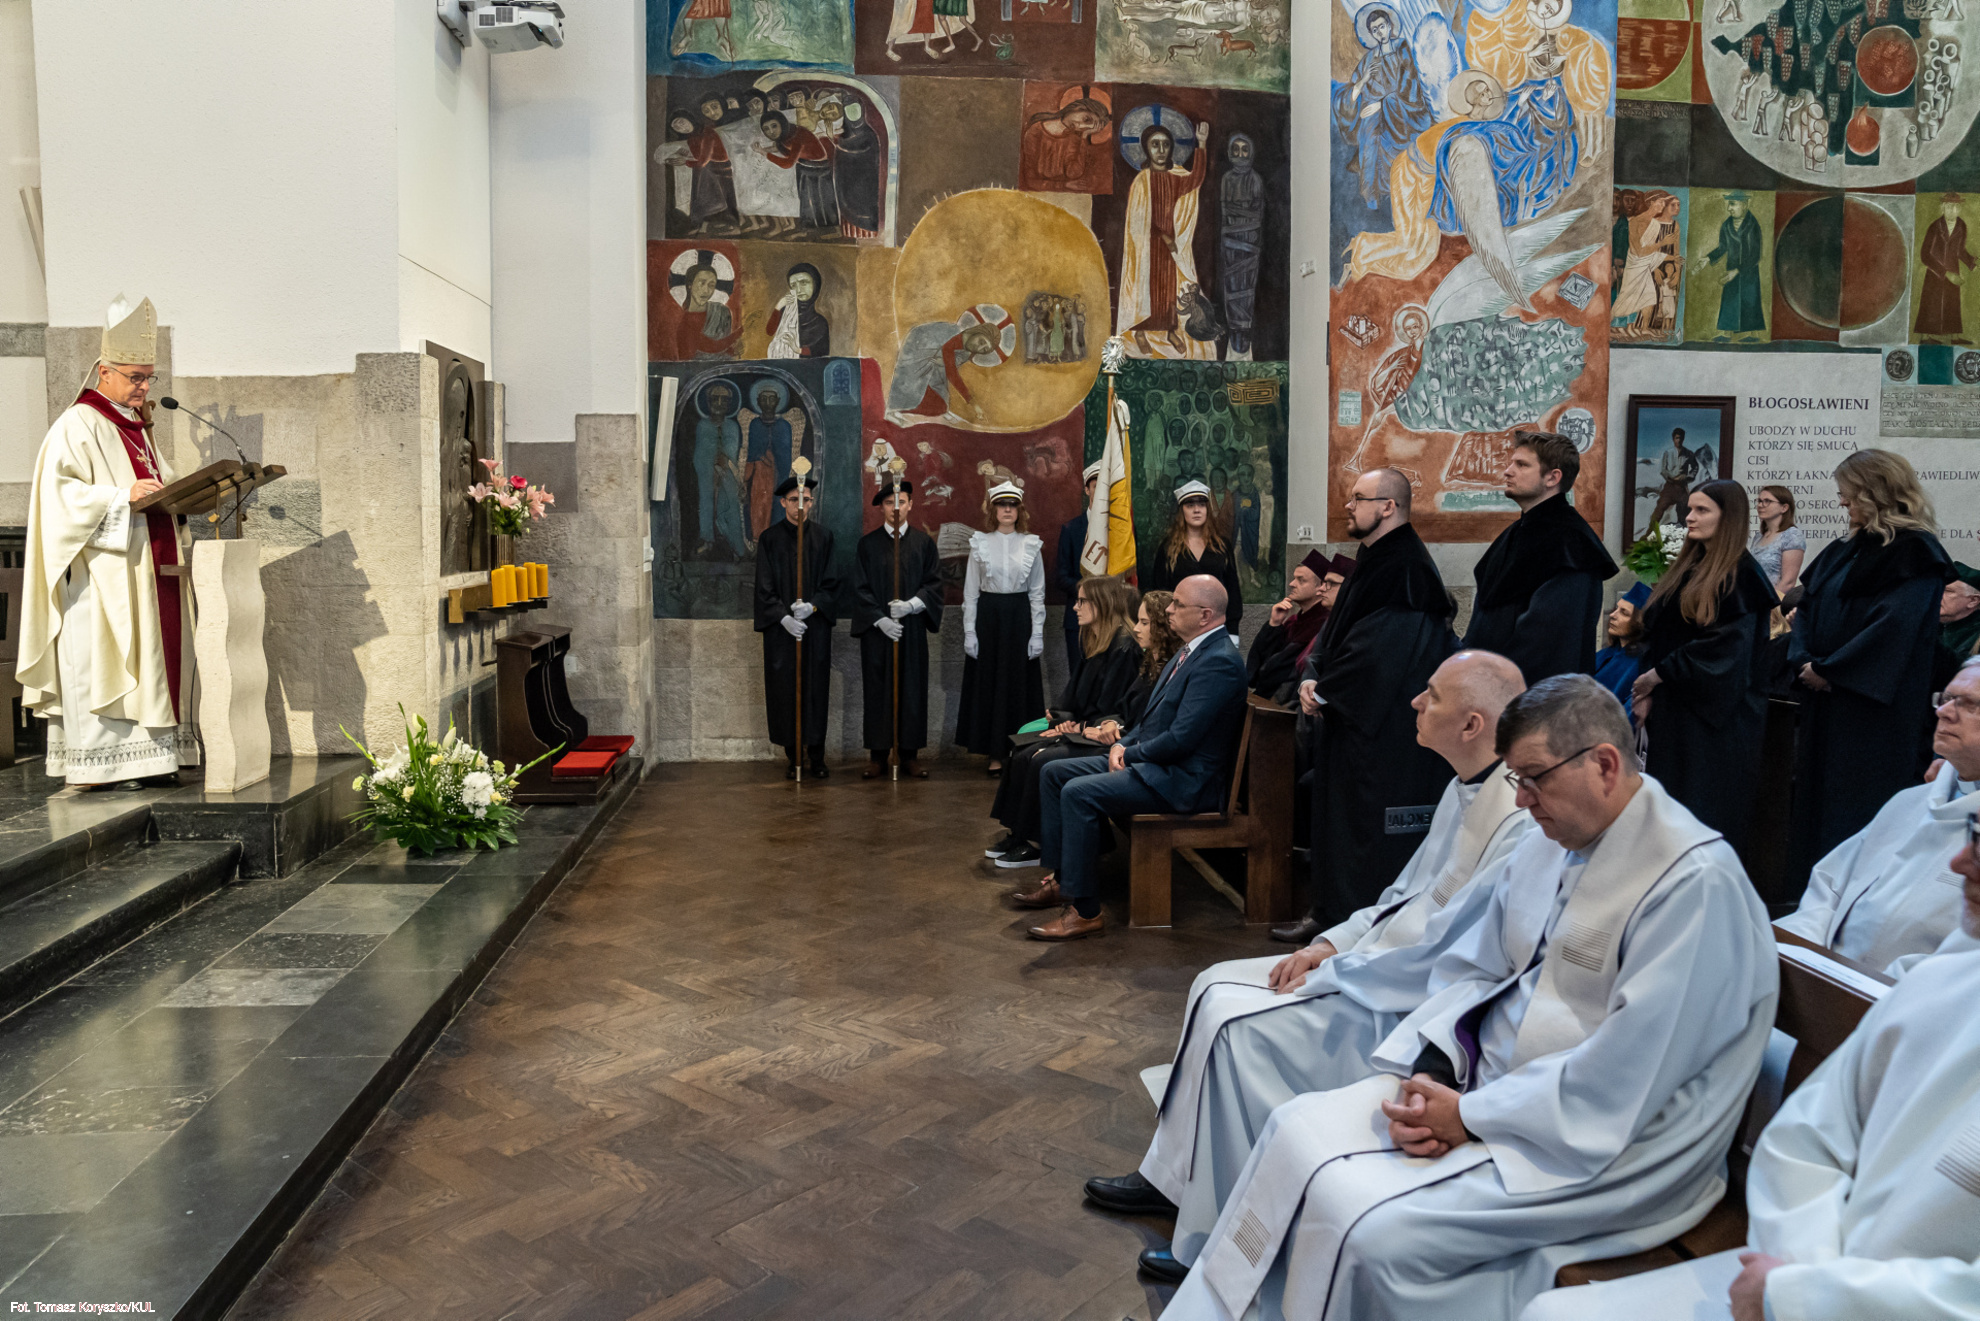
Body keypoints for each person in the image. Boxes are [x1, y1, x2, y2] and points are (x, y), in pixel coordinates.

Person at [1160, 676, 1778, 1321]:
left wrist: (1472, 1116)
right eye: (1516, 780)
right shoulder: (1551, 840)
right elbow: (1471, 967)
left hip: (1615, 1145)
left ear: (1603, 764)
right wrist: (1434, 1069)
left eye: (1534, 778)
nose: (1523, 800)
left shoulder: (1692, 886)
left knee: (1373, 1232)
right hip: (1493, 1086)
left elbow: (1626, 1075)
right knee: (1294, 1129)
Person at [1084, 651, 1532, 1282]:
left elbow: (1454, 958)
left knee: (1237, 1030)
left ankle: (1215, 1232)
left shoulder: (1514, 818)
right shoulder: (1464, 788)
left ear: (1472, 724)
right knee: (1211, 983)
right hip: (1373, 965)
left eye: (1431, 694)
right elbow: (1401, 897)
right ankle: (1172, 1179)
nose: (1414, 701)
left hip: (1402, 1005)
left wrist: (1339, 970)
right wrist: (1331, 943)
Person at [1520, 846, 1980, 1321]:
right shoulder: (1941, 981)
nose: (1958, 860)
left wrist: (1808, 1297)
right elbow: (1807, 1138)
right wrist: (1800, 1276)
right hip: (1808, 1270)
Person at [20, 295, 195, 788]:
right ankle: (107, 766)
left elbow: (160, 483)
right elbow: (57, 499)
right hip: (101, 578)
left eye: (149, 377)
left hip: (145, 567)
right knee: (107, 660)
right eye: (135, 377)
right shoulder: (77, 424)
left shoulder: (136, 427)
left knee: (151, 658)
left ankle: (154, 760)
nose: (144, 387)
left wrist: (187, 493)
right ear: (104, 372)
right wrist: (121, 497)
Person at [1280, 468, 1457, 943]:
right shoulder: (1374, 557)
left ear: (1388, 507)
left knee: (1364, 829)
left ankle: (1358, 923)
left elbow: (1380, 652)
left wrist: (1327, 689)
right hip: (1350, 717)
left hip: (1382, 730)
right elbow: (1335, 634)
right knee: (1337, 820)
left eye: (1358, 498)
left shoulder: (1406, 568)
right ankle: (1330, 913)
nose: (1348, 505)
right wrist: (1313, 673)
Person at [1017, 576, 1248, 940]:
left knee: (1077, 792)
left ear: (1205, 615)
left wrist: (1129, 752)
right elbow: (1150, 720)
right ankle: (1065, 881)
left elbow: (1182, 738)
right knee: (1053, 772)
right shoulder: (1191, 650)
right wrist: (1120, 745)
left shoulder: (1218, 661)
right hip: (1156, 764)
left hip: (1182, 780)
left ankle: (1085, 912)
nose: (1168, 610)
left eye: (1178, 604)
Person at [1788, 450, 1952, 882]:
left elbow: (1893, 627)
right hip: (1825, 701)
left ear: (1876, 491)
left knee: (1857, 808)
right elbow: (1807, 609)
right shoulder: (1843, 550)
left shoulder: (1917, 552)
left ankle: (1854, 895)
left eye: (1849, 492)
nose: (1842, 501)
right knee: (1814, 802)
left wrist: (1832, 671)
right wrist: (1804, 660)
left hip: (1872, 710)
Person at [1775, 656, 1980, 976]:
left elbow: (1966, 960)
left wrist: (1877, 989)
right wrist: (1801, 951)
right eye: (1946, 698)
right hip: (1821, 978)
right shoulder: (1909, 802)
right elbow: (1830, 885)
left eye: (1967, 704)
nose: (1943, 711)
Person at [1632, 480, 1777, 853]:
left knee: (1701, 814)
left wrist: (1658, 675)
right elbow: (1658, 632)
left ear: (1728, 518)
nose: (1689, 517)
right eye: (1690, 509)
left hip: (1713, 723)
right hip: (1672, 711)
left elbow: (1724, 652)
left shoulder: (1742, 576)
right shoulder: (1689, 565)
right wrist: (1647, 690)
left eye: (1701, 510)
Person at [987, 575, 1144, 868]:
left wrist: (1077, 726)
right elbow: (1074, 697)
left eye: (1082, 601)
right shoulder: (1095, 640)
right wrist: (1062, 719)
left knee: (1039, 758)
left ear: (1102, 604)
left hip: (1105, 736)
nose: (1075, 607)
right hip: (1083, 727)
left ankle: (1038, 842)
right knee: (1021, 749)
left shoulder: (1124, 647)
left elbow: (1113, 709)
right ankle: (1020, 833)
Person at [1462, 430, 1618, 683]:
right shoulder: (1517, 531)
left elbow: (1548, 644)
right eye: (1511, 463)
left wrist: (1494, 683)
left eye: (1521, 465)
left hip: (1530, 692)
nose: (1507, 471)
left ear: (1553, 477)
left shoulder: (1570, 542)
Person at [851, 480, 942, 781]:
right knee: (878, 691)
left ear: (910, 504)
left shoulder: (923, 544)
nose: (896, 508)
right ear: (881, 507)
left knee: (912, 689)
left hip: (911, 630)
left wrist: (912, 605)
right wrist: (880, 620)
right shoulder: (868, 545)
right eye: (890, 503)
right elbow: (860, 588)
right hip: (878, 633)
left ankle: (909, 755)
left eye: (901, 502)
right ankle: (878, 756)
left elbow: (933, 585)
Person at [752, 475, 840, 779]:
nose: (799, 506)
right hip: (782, 630)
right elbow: (764, 588)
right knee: (785, 690)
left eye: (805, 500)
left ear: (812, 503)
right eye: (793, 500)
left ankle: (817, 755)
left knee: (815, 688)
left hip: (814, 629)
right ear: (783, 503)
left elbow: (832, 584)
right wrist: (784, 617)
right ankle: (793, 755)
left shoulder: (824, 538)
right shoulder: (770, 539)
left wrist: (812, 606)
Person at [957, 481, 1045, 775]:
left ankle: (1021, 752)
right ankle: (994, 753)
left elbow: (1037, 592)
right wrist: (970, 632)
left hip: (1019, 618)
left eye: (1012, 505)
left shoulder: (1031, 544)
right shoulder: (980, 543)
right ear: (993, 510)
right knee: (991, 684)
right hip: (989, 617)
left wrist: (1037, 633)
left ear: (1020, 510)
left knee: (1019, 685)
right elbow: (971, 592)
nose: (1007, 510)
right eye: (1002, 505)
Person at [1117, 120, 1216, 361]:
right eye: (1155, 145)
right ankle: (1140, 331)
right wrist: (1163, 237)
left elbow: (1195, 180)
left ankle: (1171, 330)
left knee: (1169, 288)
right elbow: (1138, 219)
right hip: (1147, 247)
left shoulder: (1175, 178)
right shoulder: (1142, 180)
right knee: (1145, 287)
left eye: (1165, 145)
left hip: (1170, 248)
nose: (1161, 150)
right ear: (1146, 149)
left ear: (1171, 148)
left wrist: (1202, 144)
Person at [1140, 480, 1245, 635]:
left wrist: (1232, 632)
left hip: (1215, 629)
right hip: (1178, 631)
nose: (1197, 510)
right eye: (1190, 505)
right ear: (1182, 511)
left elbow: (1232, 589)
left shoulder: (1222, 546)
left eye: (1202, 505)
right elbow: (1160, 592)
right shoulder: (1168, 548)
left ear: (1207, 509)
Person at [1245, 549, 1336, 703]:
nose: (1292, 584)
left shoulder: (1324, 624)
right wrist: (1274, 624)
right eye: (1294, 578)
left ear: (1320, 587)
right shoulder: (1293, 621)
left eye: (1301, 580)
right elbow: (1262, 664)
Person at [1056, 462, 1101, 670]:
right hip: (1078, 619)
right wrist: (1089, 592)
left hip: (1112, 617)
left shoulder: (1122, 531)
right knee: (1078, 677)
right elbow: (1062, 576)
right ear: (1087, 490)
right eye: (1096, 486)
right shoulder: (1071, 529)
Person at [1915, 191, 1974, 338]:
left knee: (1952, 303)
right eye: (1949, 207)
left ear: (1960, 209)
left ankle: (1954, 337)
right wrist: (1945, 272)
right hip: (1935, 272)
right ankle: (1925, 337)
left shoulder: (1961, 226)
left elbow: (1960, 251)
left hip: (1953, 269)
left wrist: (1972, 263)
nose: (1952, 210)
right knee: (1931, 303)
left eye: (1956, 207)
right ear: (1942, 207)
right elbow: (1925, 255)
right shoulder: (1935, 226)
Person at [1594, 583, 1650, 717]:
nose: (1613, 615)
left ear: (1639, 622)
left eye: (1624, 613)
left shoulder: (1640, 665)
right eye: (1616, 608)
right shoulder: (1604, 654)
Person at [764, 262, 829, 360]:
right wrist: (778, 306)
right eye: (793, 285)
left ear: (815, 284)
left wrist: (797, 350)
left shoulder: (820, 323)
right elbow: (770, 331)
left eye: (803, 283)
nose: (798, 290)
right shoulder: (787, 313)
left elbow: (822, 353)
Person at [1749, 484, 1805, 597]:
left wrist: (1768, 603)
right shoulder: (1758, 537)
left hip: (1773, 602)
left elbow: (1788, 582)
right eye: (1759, 501)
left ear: (1784, 508)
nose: (1760, 505)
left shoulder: (1791, 535)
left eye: (1767, 501)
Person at [1936, 564, 1980, 691]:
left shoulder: (1977, 637)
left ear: (1973, 601)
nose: (1938, 595)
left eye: (1948, 591)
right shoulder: (1929, 625)